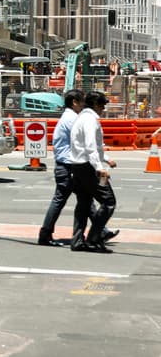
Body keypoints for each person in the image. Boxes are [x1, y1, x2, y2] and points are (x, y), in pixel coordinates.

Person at [69, 90, 117, 253]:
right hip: (88, 167)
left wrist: (105, 158)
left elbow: (91, 146)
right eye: (102, 104)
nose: (103, 108)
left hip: (78, 166)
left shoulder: (82, 118)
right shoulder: (90, 120)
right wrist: (100, 168)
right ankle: (93, 238)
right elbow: (90, 146)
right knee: (109, 202)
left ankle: (77, 241)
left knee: (83, 205)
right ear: (96, 105)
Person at [38, 89, 85, 247]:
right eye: (82, 101)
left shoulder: (70, 117)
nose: (84, 105)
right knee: (62, 200)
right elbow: (82, 140)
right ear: (74, 102)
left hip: (69, 165)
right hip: (68, 166)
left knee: (86, 199)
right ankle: (45, 234)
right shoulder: (71, 119)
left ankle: (101, 230)